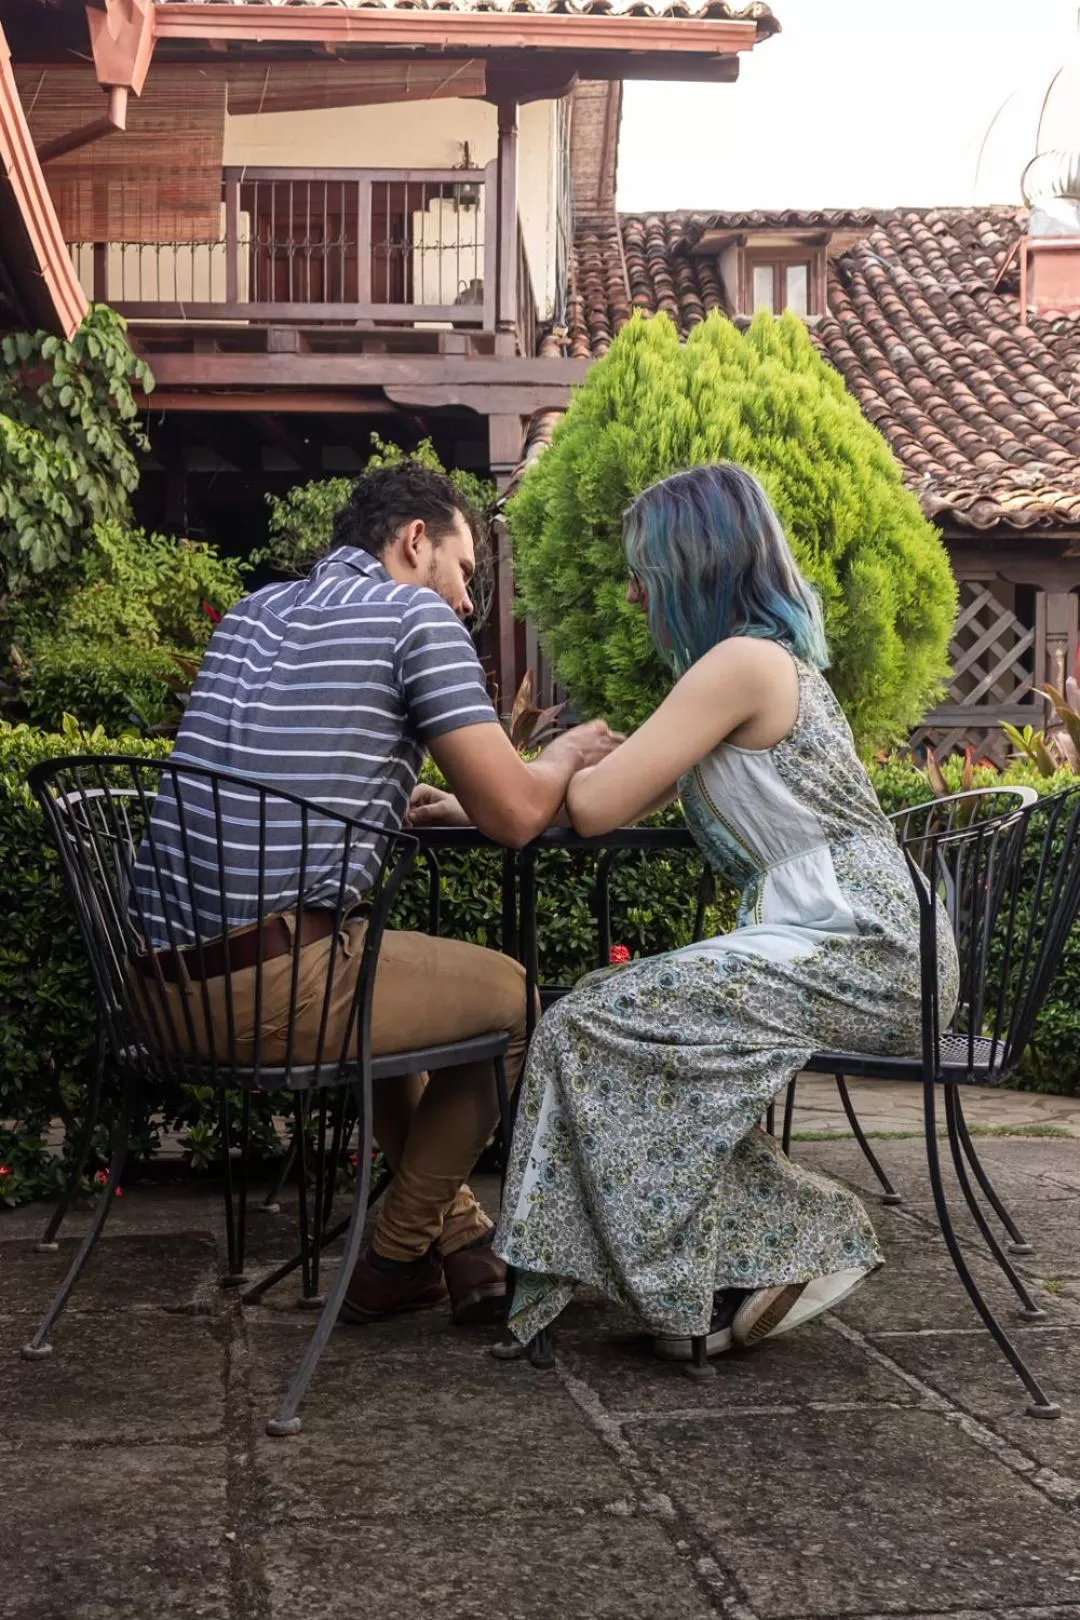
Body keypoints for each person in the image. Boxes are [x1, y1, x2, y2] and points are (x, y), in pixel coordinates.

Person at [418, 462, 960, 1359]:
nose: (634, 594)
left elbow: (593, 804)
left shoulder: (739, 663)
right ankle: (739, 1260)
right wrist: (480, 802)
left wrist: (556, 760)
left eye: (645, 572)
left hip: (862, 944)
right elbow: (612, 791)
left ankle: (804, 1235)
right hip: (835, 939)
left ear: (693, 567)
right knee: (604, 1024)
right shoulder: (750, 666)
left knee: (586, 1021)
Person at [131, 461, 620, 1327]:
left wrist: (405, 797)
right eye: (467, 571)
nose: (468, 601)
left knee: (382, 996)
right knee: (514, 1008)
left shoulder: (252, 614)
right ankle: (395, 1258)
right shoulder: (413, 618)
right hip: (269, 987)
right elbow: (512, 814)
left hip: (158, 994)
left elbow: (279, 776)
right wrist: (565, 757)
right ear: (415, 540)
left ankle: (464, 1245)